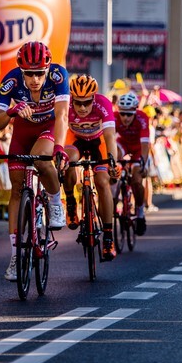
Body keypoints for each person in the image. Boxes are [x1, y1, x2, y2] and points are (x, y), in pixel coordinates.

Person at [0, 41, 69, 282]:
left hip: (48, 127)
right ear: (21, 71)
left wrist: (60, 147)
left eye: (39, 73)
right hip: (22, 132)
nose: (34, 79)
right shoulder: (11, 81)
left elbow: (63, 114)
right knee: (16, 190)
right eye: (29, 74)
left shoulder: (57, 75)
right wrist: (12, 112)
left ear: (47, 69)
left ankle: (55, 201)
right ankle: (15, 256)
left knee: (43, 162)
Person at [62, 74, 120, 261]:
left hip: (98, 142)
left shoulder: (103, 104)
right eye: (78, 103)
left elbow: (110, 136)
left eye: (87, 102)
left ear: (93, 98)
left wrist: (113, 162)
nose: (82, 107)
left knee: (103, 182)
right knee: (68, 161)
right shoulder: (66, 104)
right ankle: (71, 202)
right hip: (75, 140)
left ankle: (109, 238)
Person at [114, 92, 150, 235]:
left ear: (135, 112)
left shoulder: (142, 118)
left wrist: (143, 163)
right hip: (123, 144)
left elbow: (146, 144)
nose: (125, 118)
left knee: (136, 180)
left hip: (139, 149)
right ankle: (115, 195)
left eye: (129, 114)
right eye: (123, 114)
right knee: (113, 157)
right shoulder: (114, 117)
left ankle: (140, 214)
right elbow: (109, 139)